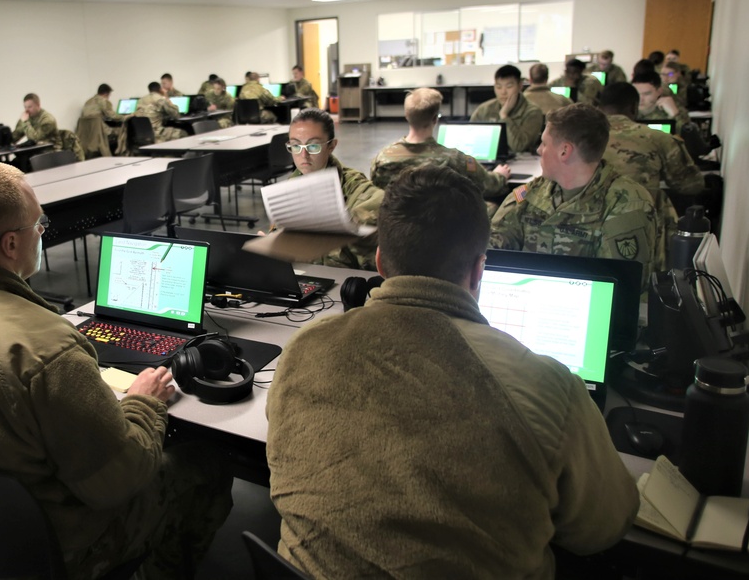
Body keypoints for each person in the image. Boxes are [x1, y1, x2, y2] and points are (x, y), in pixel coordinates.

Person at [267, 163, 640, 579]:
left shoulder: (305, 348)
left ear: (379, 263)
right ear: (480, 270)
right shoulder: (548, 385)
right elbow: (600, 529)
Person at [0, 161, 232, 579]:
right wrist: (145, 405)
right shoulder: (46, 346)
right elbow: (118, 479)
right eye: (38, 225)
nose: (42, 232)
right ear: (10, 244)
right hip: (61, 545)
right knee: (207, 460)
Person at [491, 103, 658, 291]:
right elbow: (492, 247)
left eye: (544, 143)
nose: (539, 150)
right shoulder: (532, 192)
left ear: (564, 151)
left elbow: (624, 286)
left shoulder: (627, 203)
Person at [599, 82, 704, 271]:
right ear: (633, 107)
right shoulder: (658, 139)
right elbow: (692, 185)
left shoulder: (582, 139)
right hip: (642, 234)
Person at [371, 88, 510, 205]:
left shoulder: (383, 158)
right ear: (435, 119)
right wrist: (500, 176)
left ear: (407, 116)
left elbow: (376, 193)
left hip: (397, 227)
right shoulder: (455, 159)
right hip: (440, 227)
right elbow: (488, 185)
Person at [284, 108, 383, 271]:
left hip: (341, 283)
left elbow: (378, 201)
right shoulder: (290, 187)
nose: (304, 155)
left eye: (313, 146)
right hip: (305, 279)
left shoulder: (352, 184)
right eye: (296, 146)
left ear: (331, 146)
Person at [470, 64, 544, 155]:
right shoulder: (484, 110)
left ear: (520, 86)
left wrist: (504, 116)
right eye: (498, 87)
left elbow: (519, 146)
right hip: (488, 159)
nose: (503, 92)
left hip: (521, 164)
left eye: (509, 87)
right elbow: (471, 141)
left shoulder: (532, 112)